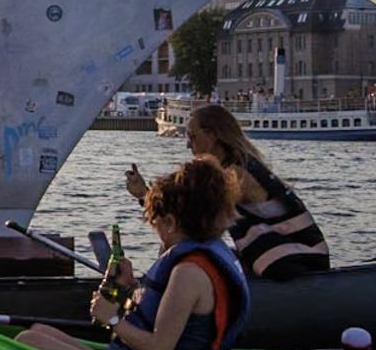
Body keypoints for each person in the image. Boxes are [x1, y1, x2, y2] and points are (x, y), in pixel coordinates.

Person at [18, 156, 250, 350]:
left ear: (170, 223)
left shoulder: (189, 272)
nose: (155, 229)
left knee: (29, 341)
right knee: (38, 330)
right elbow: (169, 312)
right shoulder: (206, 253)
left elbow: (160, 349)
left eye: (155, 223)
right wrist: (131, 290)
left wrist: (112, 319)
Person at [127, 103, 331, 280]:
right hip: (281, 257)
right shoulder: (234, 167)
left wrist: (146, 196)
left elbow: (192, 214)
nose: (188, 143)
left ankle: (164, 297)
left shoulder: (236, 175)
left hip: (300, 260)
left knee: (185, 239)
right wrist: (144, 195)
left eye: (192, 135)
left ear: (213, 135)